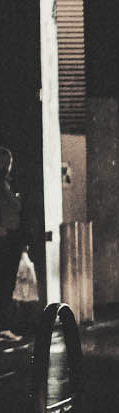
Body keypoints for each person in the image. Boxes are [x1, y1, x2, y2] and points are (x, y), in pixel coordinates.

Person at [0, 146, 29, 343]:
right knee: (5, 283)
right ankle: (3, 327)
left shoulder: (6, 185)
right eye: (8, 162)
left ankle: (4, 326)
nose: (11, 166)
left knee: (7, 283)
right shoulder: (2, 186)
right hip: (5, 238)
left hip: (11, 238)